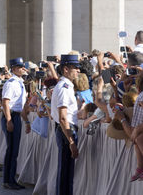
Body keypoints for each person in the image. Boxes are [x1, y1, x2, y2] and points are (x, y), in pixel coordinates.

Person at [51, 54, 80, 195]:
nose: (78, 71)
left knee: (67, 172)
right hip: (66, 131)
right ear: (66, 69)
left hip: (66, 130)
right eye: (75, 68)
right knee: (65, 172)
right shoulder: (64, 87)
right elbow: (63, 118)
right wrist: (71, 141)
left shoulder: (66, 86)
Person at [2, 57, 29, 190]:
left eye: (23, 66)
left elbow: (22, 105)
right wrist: (8, 120)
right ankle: (9, 179)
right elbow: (5, 102)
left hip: (16, 116)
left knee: (14, 150)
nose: (23, 69)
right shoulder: (11, 83)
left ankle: (9, 178)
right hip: (11, 116)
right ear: (13, 69)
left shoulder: (20, 82)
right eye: (20, 67)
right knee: (12, 150)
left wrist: (26, 121)